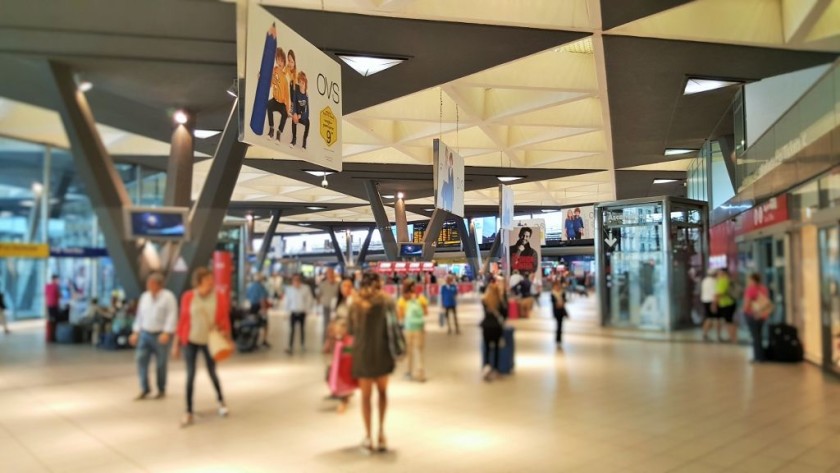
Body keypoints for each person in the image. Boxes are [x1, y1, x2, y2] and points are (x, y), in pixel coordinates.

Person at [172, 267, 231, 427]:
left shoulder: (218, 297)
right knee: (190, 375)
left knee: (212, 372)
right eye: (207, 279)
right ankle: (188, 411)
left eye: (211, 279)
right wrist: (176, 344)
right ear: (199, 281)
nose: (211, 282)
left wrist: (226, 335)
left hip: (210, 341)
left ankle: (221, 401)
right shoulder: (188, 296)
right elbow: (182, 320)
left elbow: (224, 318)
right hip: (190, 339)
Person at [349, 273, 396, 453]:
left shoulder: (355, 304)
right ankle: (382, 433)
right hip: (383, 353)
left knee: (366, 397)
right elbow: (394, 325)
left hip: (363, 355)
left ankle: (369, 436)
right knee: (382, 393)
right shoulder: (388, 302)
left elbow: (351, 329)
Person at [129, 272, 178, 400]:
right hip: (145, 333)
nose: (149, 286)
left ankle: (161, 388)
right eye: (148, 283)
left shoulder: (168, 297)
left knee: (161, 363)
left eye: (152, 283)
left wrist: (167, 332)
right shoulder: (144, 297)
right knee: (141, 359)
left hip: (160, 334)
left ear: (159, 285)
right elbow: (140, 316)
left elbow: (172, 315)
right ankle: (144, 388)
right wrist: (136, 332)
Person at [399, 280, 427, 382]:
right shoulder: (420, 298)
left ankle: (409, 372)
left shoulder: (403, 299)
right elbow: (425, 312)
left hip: (408, 328)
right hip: (419, 327)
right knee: (419, 351)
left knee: (409, 351)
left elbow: (400, 315)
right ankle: (421, 373)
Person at [743, 273, 772, 363]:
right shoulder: (763, 288)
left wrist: (744, 310)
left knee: (755, 336)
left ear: (752, 280)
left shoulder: (750, 289)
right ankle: (760, 356)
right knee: (758, 336)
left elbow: (747, 303)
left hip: (752, 314)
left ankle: (758, 357)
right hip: (762, 315)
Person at [480, 277, 505, 381]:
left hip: (486, 327)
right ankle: (496, 369)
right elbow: (504, 314)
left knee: (486, 347)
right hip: (496, 327)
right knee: (496, 349)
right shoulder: (499, 302)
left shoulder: (485, 301)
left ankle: (486, 367)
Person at [284, 274, 314, 354]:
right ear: (292, 281)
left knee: (302, 329)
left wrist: (307, 309)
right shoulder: (289, 289)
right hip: (293, 311)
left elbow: (309, 299)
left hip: (302, 312)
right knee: (292, 330)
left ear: (300, 281)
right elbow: (287, 301)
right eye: (294, 280)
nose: (296, 282)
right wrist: (286, 312)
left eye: (297, 280)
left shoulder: (306, 288)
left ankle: (302, 344)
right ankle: (290, 346)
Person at [266, 47, 290, 142]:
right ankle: (271, 129)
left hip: (282, 103)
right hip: (275, 100)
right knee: (268, 105)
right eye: (278, 60)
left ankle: (279, 132)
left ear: (284, 62)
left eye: (281, 61)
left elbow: (287, 96)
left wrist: (287, 109)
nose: (279, 62)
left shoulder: (285, 79)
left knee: (284, 115)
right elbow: (270, 82)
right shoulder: (274, 70)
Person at [246, 275, 271, 349]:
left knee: (253, 324)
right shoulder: (261, 287)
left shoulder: (250, 287)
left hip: (252, 307)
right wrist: (263, 310)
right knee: (265, 325)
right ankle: (264, 341)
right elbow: (262, 299)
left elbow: (247, 296)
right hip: (259, 307)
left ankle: (254, 342)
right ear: (261, 280)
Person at [317, 268, 341, 343]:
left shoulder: (338, 284)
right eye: (328, 274)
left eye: (331, 273)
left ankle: (333, 343)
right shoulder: (322, 284)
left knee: (334, 325)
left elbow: (340, 295)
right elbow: (319, 294)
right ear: (326, 275)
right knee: (326, 325)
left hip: (335, 308)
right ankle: (325, 342)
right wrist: (318, 304)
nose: (330, 275)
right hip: (326, 307)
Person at [715, 268, 738, 343]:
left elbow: (719, 294)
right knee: (731, 321)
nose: (717, 275)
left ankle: (732, 338)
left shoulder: (722, 281)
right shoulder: (730, 280)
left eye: (719, 273)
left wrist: (714, 304)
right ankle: (733, 337)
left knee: (728, 322)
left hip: (725, 304)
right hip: (732, 302)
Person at [290, 71, 310, 148]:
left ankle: (304, 141)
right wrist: (294, 113)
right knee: (293, 120)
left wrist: (300, 116)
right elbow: (294, 102)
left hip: (302, 116)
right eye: (300, 82)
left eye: (303, 83)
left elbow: (307, 112)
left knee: (308, 123)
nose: (301, 85)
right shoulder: (296, 90)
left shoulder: (306, 96)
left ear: (305, 83)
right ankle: (294, 139)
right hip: (296, 113)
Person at [701, 270, 721, 341]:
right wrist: (714, 304)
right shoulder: (714, 281)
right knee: (717, 319)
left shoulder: (704, 281)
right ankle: (718, 336)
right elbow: (715, 293)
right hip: (712, 301)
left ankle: (704, 334)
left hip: (705, 301)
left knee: (708, 318)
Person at [550, 282, 568, 348]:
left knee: (560, 325)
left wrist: (563, 302)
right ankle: (558, 339)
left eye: (558, 286)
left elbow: (565, 300)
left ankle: (559, 339)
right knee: (558, 324)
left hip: (562, 311)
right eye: (555, 286)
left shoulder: (562, 293)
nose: (557, 287)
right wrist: (557, 303)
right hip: (556, 311)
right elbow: (552, 301)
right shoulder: (552, 293)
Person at [45, 274, 61, 341]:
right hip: (54, 305)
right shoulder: (56, 286)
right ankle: (54, 336)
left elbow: (46, 294)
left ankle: (50, 336)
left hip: (49, 305)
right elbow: (59, 295)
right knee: (55, 321)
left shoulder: (47, 286)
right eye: (57, 279)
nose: (58, 281)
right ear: (54, 279)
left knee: (51, 320)